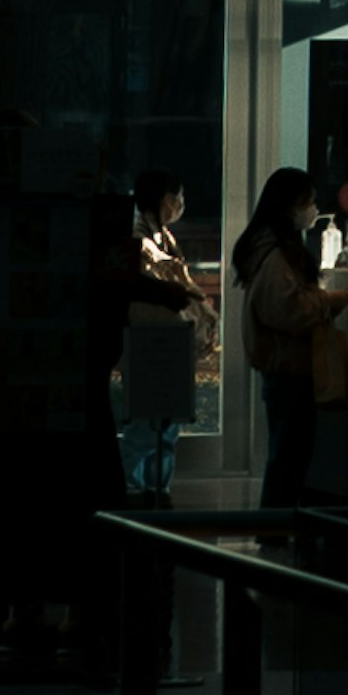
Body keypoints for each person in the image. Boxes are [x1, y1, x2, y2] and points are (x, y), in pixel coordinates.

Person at [231, 166, 328, 513]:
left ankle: (276, 526)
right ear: (290, 206)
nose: (313, 210)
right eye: (309, 202)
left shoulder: (264, 248)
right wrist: (327, 302)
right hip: (289, 364)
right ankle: (274, 528)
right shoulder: (275, 254)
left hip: (281, 364)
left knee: (286, 451)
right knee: (289, 453)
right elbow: (290, 310)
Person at [116, 179, 207, 504]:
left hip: (166, 336)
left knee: (165, 420)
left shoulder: (160, 236)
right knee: (147, 419)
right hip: (150, 337)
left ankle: (155, 487)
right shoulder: (139, 237)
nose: (180, 204)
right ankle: (132, 486)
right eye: (178, 197)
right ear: (167, 199)